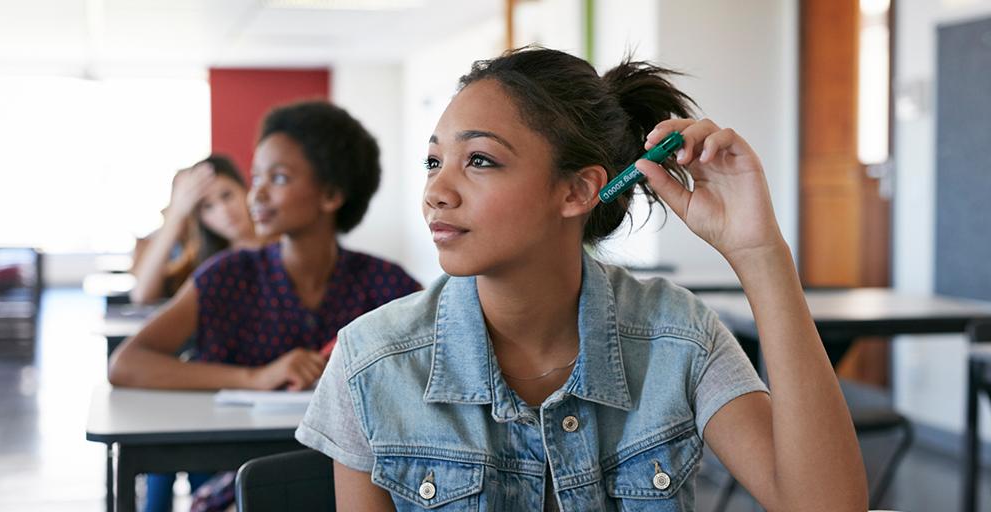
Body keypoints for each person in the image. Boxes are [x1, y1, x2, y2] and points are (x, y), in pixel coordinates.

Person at [296, 47, 868, 511]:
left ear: (576, 191)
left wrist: (759, 253)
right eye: (433, 161)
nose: (436, 192)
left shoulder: (678, 336)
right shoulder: (371, 361)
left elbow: (826, 505)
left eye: (480, 161)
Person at [109, 101, 421, 512]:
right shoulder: (226, 275)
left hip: (349, 484)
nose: (256, 193)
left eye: (278, 178)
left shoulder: (384, 284)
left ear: (330, 194)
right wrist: (255, 377)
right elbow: (127, 365)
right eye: (255, 177)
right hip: (235, 481)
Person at [129, 155, 266, 305]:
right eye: (208, 207)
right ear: (201, 220)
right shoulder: (205, 266)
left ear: (244, 189)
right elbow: (142, 295)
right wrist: (176, 214)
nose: (224, 211)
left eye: (227, 195)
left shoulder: (282, 245)